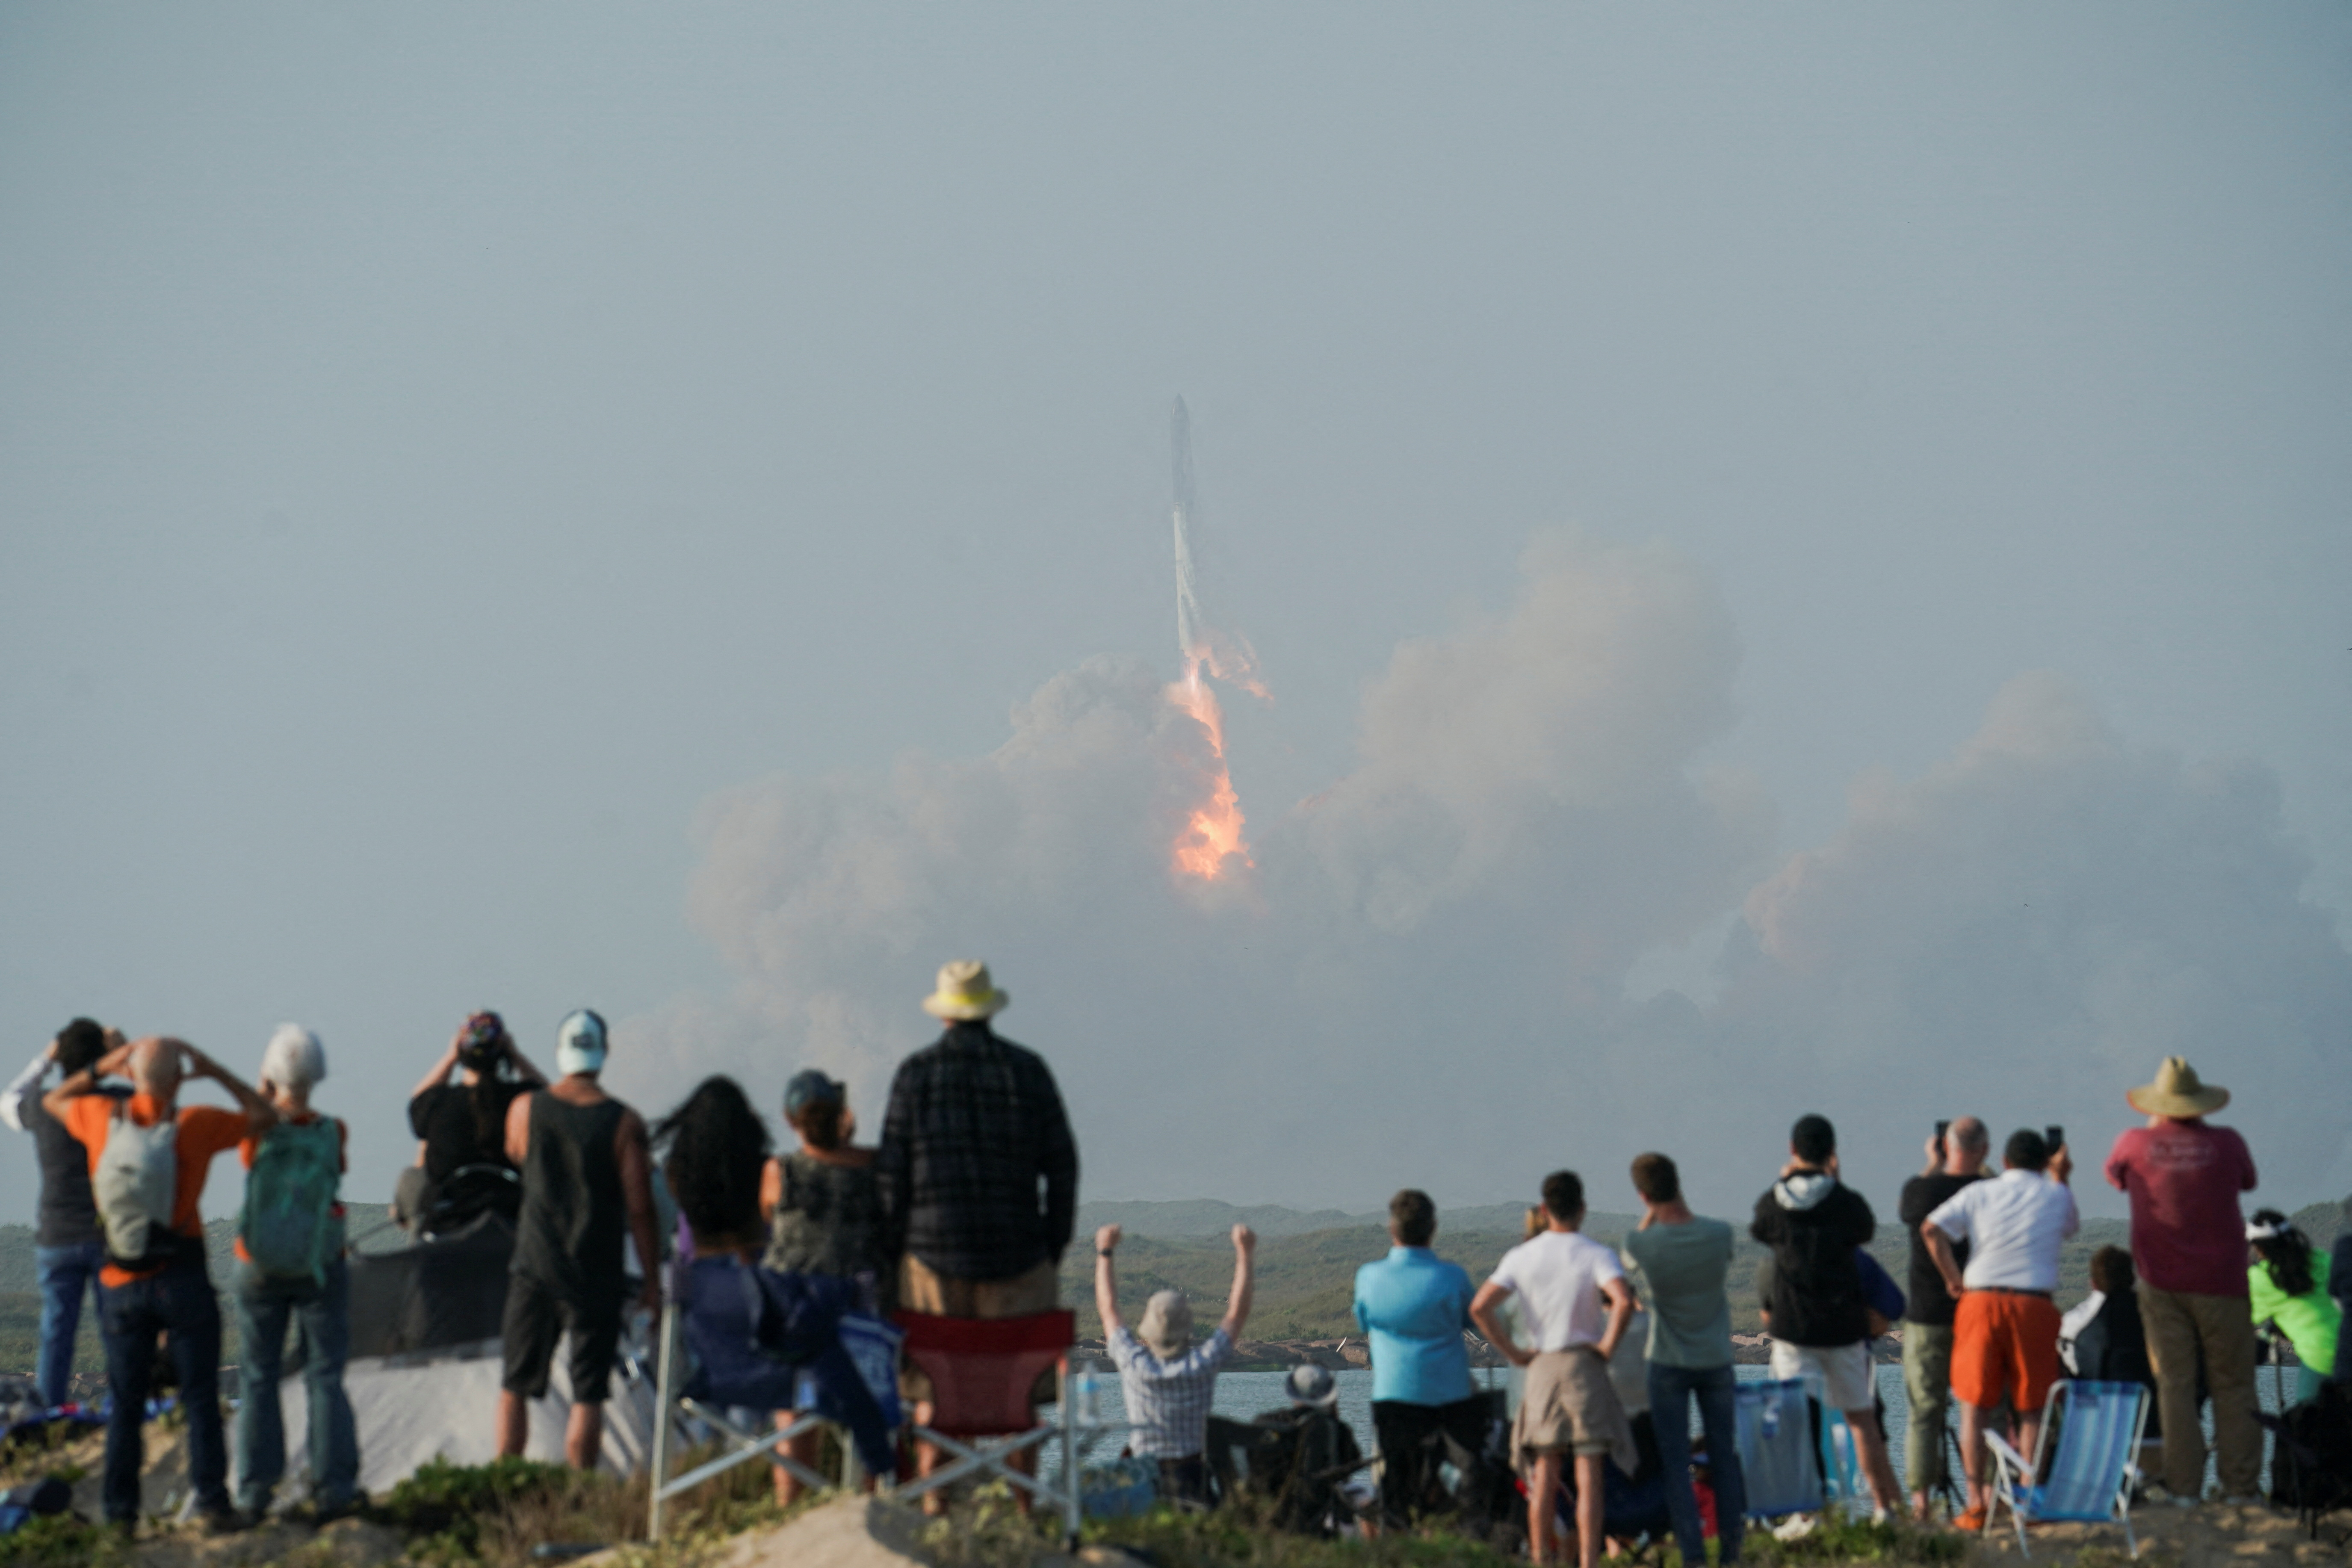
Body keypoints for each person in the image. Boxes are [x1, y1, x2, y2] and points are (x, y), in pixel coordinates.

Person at [43, 1036, 275, 1537]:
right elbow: (264, 1115)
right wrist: (213, 1067)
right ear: (177, 1079)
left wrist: (106, 1063)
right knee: (199, 1396)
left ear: (132, 1076)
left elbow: (51, 1100)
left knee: (125, 1403)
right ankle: (213, 1503)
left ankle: (121, 1515)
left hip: (119, 1282)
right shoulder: (194, 1124)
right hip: (182, 1276)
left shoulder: (101, 1116)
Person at [875, 960, 1078, 1505]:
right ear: (989, 1009)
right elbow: (1062, 1168)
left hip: (930, 1262)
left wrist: (893, 1258)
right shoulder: (1027, 1071)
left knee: (934, 1392)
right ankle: (1023, 1511)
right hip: (1020, 1259)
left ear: (944, 1013)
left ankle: (935, 1505)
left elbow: (891, 1178)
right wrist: (1049, 1248)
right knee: (1017, 1400)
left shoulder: (915, 1074)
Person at [653, 1077, 894, 1482]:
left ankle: (716, 1480)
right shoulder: (767, 1168)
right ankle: (815, 1481)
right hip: (778, 1313)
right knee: (793, 1374)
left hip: (708, 1313)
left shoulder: (681, 1171)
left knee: (725, 1405)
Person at [496, 1010, 661, 1469]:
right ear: (602, 1053)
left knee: (516, 1384)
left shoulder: (526, 1109)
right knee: (589, 1392)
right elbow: (641, 1206)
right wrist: (652, 1280)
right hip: (596, 1267)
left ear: (560, 1052)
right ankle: (581, 1487)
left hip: (535, 1262)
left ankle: (503, 1480)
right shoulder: (624, 1121)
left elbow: (515, 1153)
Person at [2103, 1056, 2261, 1504]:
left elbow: (2114, 1176)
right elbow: (2247, 1180)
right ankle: (2241, 1489)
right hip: (2224, 1280)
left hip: (2161, 1280)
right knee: (2233, 1384)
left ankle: (2185, 1488)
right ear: (2199, 1103)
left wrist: (2156, 1131)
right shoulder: (2227, 1142)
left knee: (2174, 1383)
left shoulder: (2134, 1142)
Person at [1470, 1171, 1637, 1568]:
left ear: (1544, 1210)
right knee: (1589, 1472)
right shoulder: (1595, 1253)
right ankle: (1588, 1561)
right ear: (1582, 1209)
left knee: (1543, 1470)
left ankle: (1542, 1558)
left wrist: (1513, 1351)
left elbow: (1481, 1307)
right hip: (1584, 1363)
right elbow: (1624, 1301)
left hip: (1542, 1365)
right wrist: (1607, 1347)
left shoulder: (1522, 1257)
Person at [1920, 1128, 2080, 1531]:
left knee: (1973, 1406)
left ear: (2004, 1161)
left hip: (1981, 1300)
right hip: (2034, 1303)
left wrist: (1953, 1278)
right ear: (2044, 1162)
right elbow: (2071, 1227)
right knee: (2033, 1407)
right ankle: (2026, 1499)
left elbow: (1931, 1229)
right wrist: (2061, 1178)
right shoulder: (2055, 1192)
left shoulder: (1980, 1192)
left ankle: (1976, 1502)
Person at [230, 1026, 360, 1523]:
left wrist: (263, 1095)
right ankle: (334, 1488)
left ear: (270, 1075)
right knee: (325, 1374)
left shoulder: (256, 1130)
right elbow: (336, 1171)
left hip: (258, 1261)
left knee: (259, 1375)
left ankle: (255, 1491)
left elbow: (249, 1157)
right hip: (318, 1263)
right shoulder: (334, 1130)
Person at [1749, 1113, 1900, 1519]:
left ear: (1792, 1150)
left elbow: (1760, 1228)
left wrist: (1785, 1180)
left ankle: (1808, 1513)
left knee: (1799, 1421)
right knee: (1860, 1418)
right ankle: (1883, 1508)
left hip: (1794, 1327)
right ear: (1832, 1154)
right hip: (1844, 1327)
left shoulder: (1776, 1203)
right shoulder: (1846, 1204)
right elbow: (1865, 1228)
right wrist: (1836, 1182)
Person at [759, 1068, 884, 1504]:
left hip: (796, 1316)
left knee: (792, 1406)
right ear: (841, 1116)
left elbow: (768, 1214)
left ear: (791, 1119)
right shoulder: (872, 1167)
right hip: (859, 1322)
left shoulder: (781, 1172)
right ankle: (874, 1494)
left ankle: (789, 1499)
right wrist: (848, 1142)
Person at [1622, 1153, 1744, 1568]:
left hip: (1668, 1359)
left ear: (1643, 1195)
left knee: (1675, 1465)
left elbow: (1626, 1263)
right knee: (1723, 1457)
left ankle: (1693, 1556)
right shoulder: (1718, 1234)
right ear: (1679, 1183)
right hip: (1715, 1357)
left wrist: (1648, 1216)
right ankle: (1731, 1552)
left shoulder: (1643, 1242)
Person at [1, 1018, 126, 1409]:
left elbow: (9, 1101)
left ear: (62, 1060)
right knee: (118, 1331)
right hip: (108, 1237)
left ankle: (46, 1413)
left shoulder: (44, 1106)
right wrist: (122, 1055)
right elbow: (156, 1097)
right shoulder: (116, 1102)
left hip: (56, 1234)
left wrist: (44, 1058)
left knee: (56, 1331)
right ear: (102, 1060)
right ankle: (120, 1410)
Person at [1095, 1220, 1255, 1504]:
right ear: (1187, 1329)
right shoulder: (1203, 1364)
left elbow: (1108, 1309)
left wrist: (1105, 1251)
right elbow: (1236, 1314)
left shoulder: (1135, 1365)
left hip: (1143, 1481)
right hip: (1192, 1479)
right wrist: (1245, 1253)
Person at [1352, 1189, 1481, 1527]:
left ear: (1392, 1227)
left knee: (1397, 1486)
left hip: (1394, 1396)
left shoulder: (1369, 1276)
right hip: (1451, 1399)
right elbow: (1471, 1319)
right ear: (1433, 1227)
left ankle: (1399, 1550)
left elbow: (1363, 1319)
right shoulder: (1452, 1277)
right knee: (1466, 1481)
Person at [1896, 1116, 1987, 1519]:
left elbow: (1911, 1207)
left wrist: (1933, 1163)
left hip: (1927, 1314)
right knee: (1981, 1405)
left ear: (1945, 1146)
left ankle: (1920, 1502)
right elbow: (2002, 1184)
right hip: (1976, 1312)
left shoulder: (1920, 1190)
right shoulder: (1989, 1190)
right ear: (1983, 1149)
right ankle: (1980, 1495)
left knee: (1924, 1410)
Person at [397, 1011, 545, 1238]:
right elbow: (554, 1101)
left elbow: (418, 1102)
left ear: (461, 1052)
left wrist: (450, 1057)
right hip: (511, 1219)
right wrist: (516, 1055)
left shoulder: (438, 1104)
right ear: (502, 1051)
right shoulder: (522, 1102)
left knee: (412, 1177)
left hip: (448, 1223)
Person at [2247, 1209, 2339, 1403]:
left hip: (2322, 1358)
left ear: (2258, 1248)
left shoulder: (2263, 1278)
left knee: (2308, 1425)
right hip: (2345, 1343)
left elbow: (2239, 1321)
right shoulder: (2320, 1258)